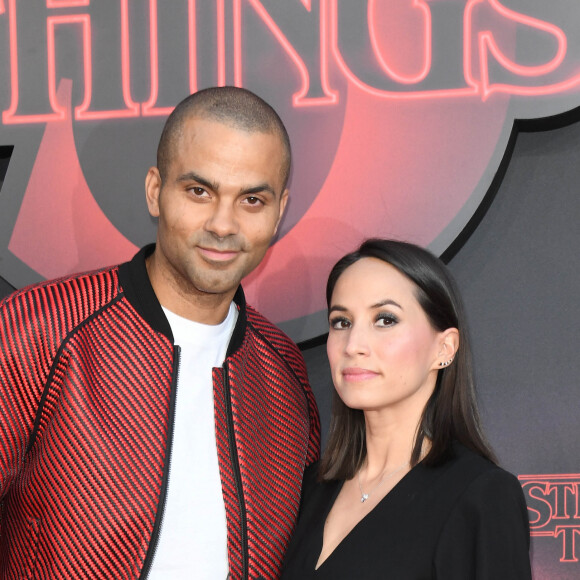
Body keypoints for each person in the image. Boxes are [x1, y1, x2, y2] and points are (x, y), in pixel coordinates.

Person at [0, 86, 320, 579]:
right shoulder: (39, 327)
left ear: (279, 212)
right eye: (199, 191)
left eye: (252, 199)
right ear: (156, 190)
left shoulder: (284, 373)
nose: (222, 224)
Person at [282, 239, 531, 579]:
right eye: (342, 322)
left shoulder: (480, 496)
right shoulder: (308, 490)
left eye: (385, 319)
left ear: (444, 348)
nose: (353, 345)